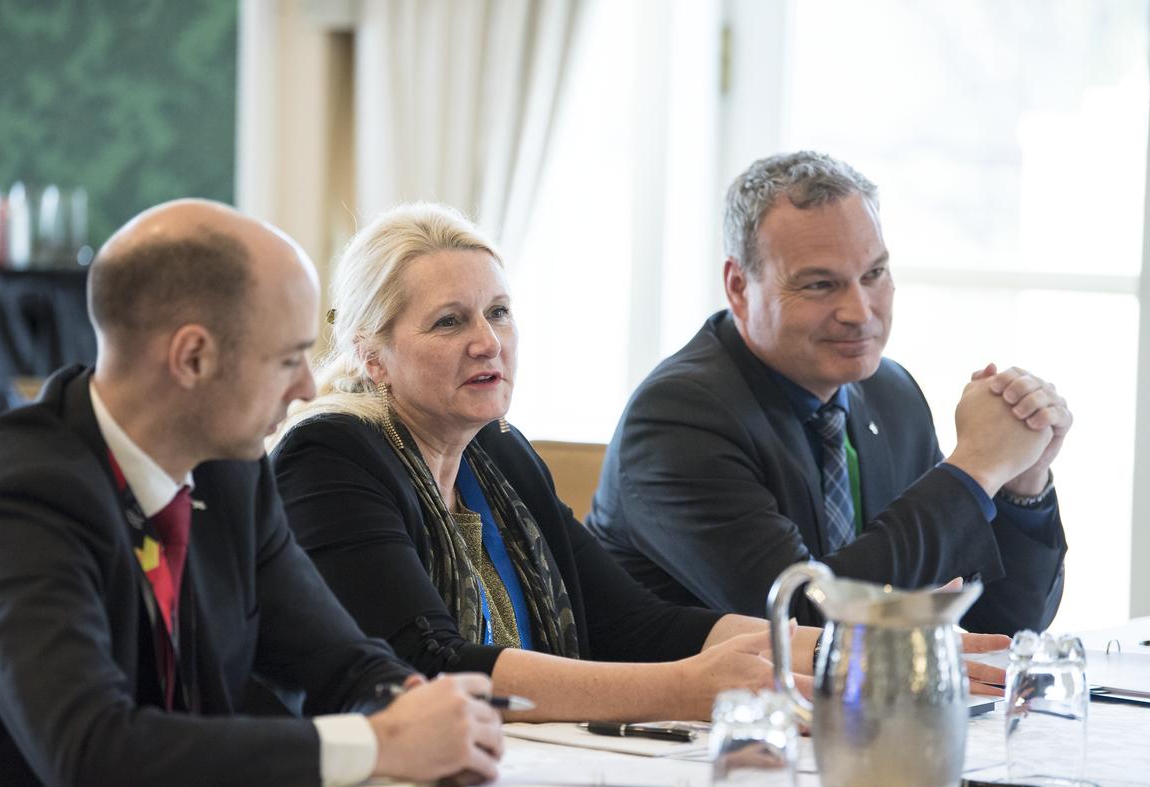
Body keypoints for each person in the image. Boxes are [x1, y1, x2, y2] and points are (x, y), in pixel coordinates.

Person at [0, 200, 502, 787]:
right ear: (193, 357)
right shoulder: (20, 497)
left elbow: (340, 661)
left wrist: (414, 707)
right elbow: (95, 754)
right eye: (288, 359)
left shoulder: (229, 472)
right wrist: (377, 743)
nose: (308, 388)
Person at [271, 202, 1006, 724]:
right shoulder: (331, 456)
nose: (488, 342)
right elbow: (425, 665)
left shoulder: (497, 453)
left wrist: (870, 647)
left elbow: (634, 622)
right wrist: (685, 689)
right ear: (372, 354)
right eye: (448, 321)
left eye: (498, 312)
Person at [587, 151, 1070, 633]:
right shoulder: (678, 417)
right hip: (708, 685)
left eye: (874, 274)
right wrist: (975, 469)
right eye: (820, 284)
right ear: (738, 286)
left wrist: (1021, 482)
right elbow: (805, 621)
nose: (859, 312)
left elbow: (1005, 626)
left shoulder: (891, 392)